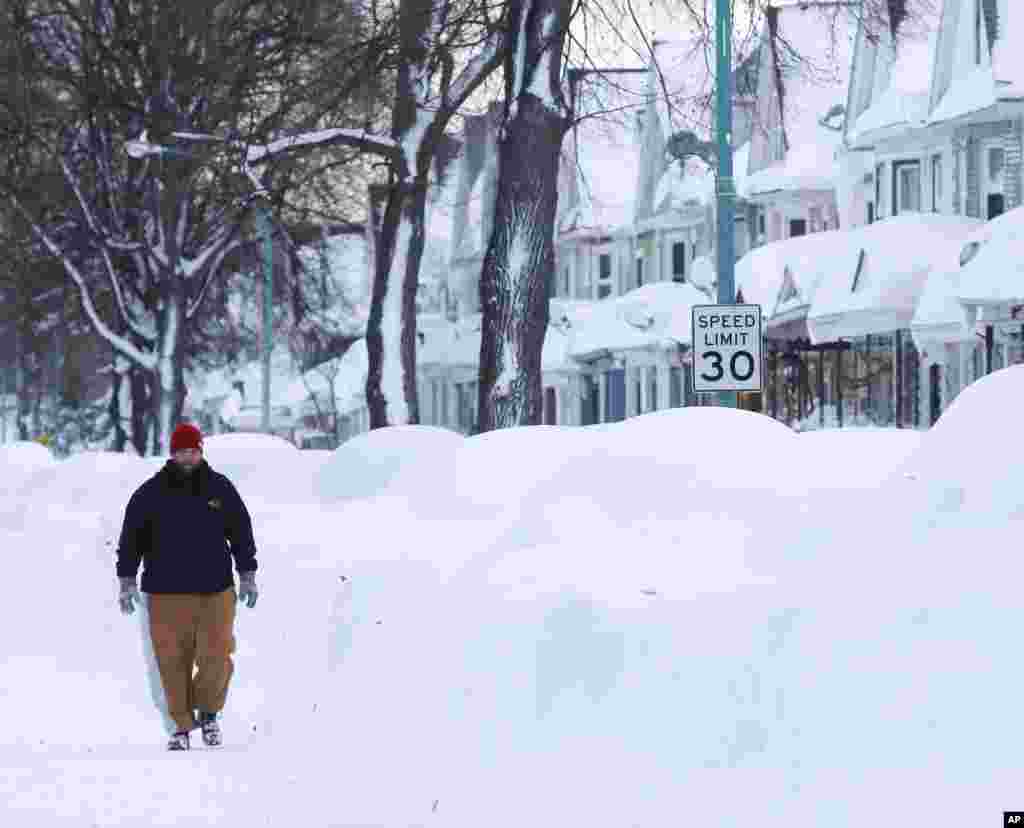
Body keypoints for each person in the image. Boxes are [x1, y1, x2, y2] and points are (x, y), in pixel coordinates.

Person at [116, 422, 259, 751]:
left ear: (201, 451)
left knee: (217, 656)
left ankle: (208, 714)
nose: (188, 456)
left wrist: (247, 573)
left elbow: (241, 531)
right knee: (170, 662)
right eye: (182, 451)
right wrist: (126, 580)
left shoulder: (219, 488)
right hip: (165, 593)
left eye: (193, 451)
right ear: (172, 453)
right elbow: (130, 539)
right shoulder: (150, 493)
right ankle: (180, 726)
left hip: (216, 590)